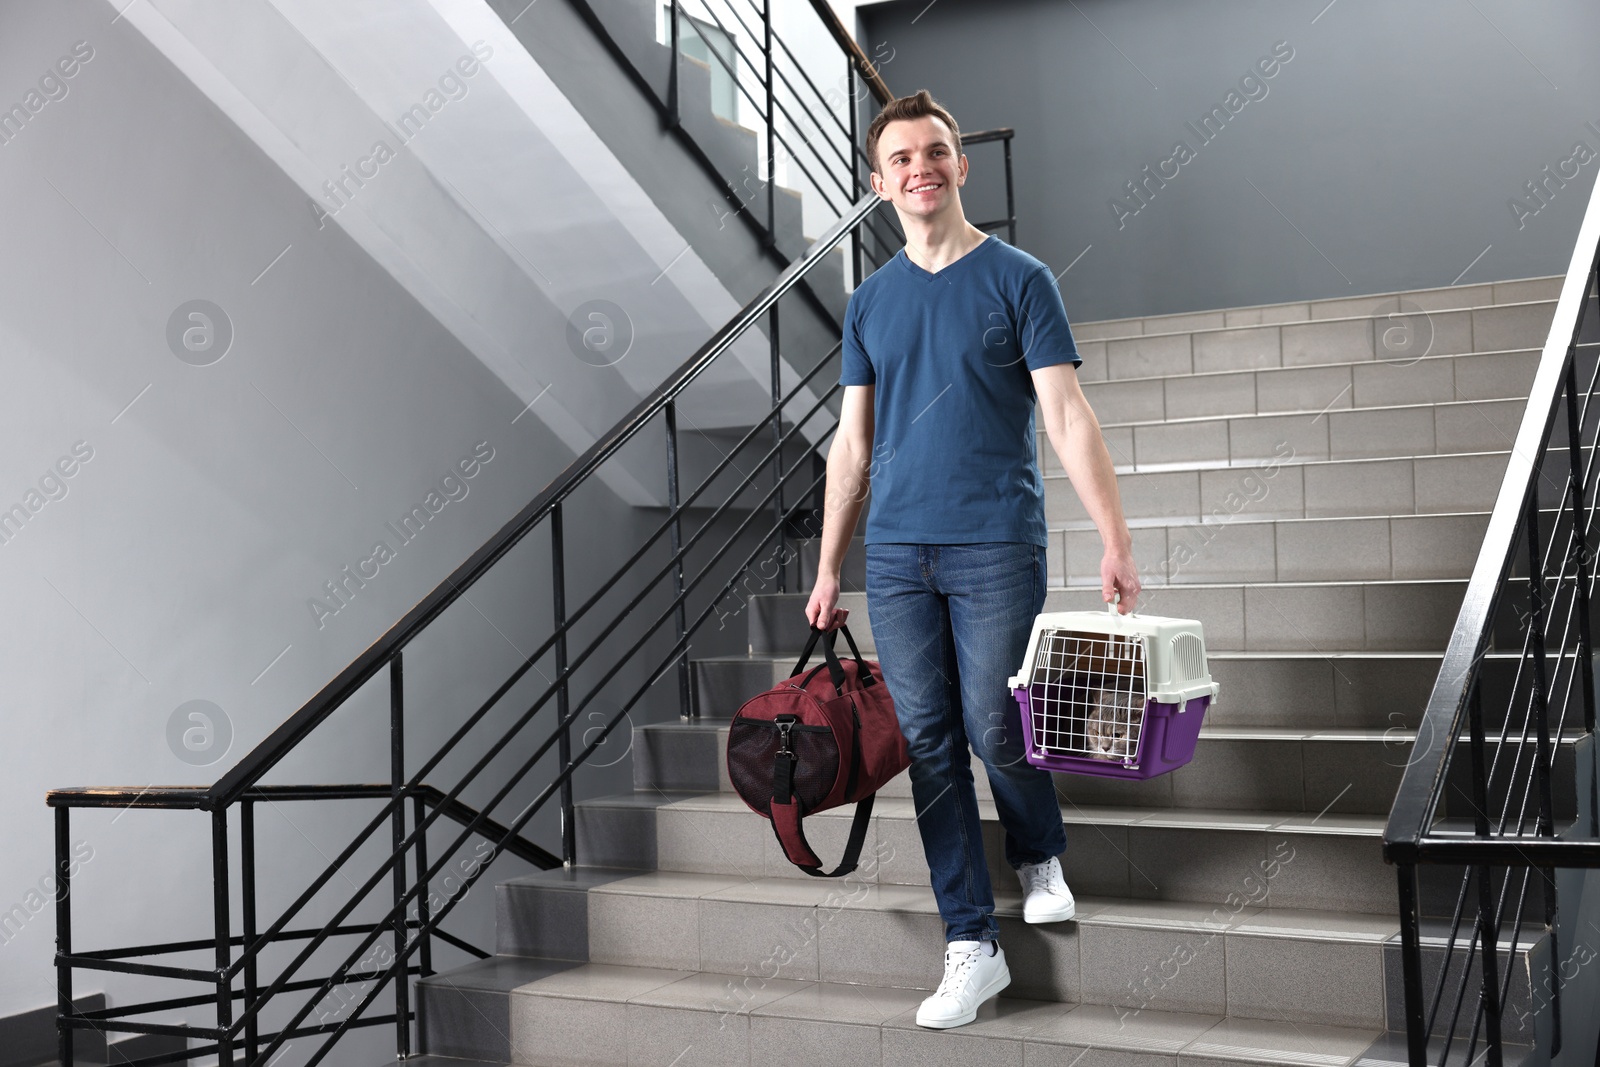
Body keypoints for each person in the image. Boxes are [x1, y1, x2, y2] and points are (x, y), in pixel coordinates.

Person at [803, 89, 1140, 1030]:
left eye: (936, 152)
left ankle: (1037, 849)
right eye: (902, 157)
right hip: (899, 554)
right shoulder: (869, 303)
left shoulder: (1021, 279)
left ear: (961, 164)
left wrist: (1115, 538)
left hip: (996, 540)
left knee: (995, 726)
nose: (922, 167)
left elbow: (1067, 415)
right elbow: (853, 446)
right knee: (931, 743)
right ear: (880, 184)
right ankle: (970, 942)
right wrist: (833, 565)